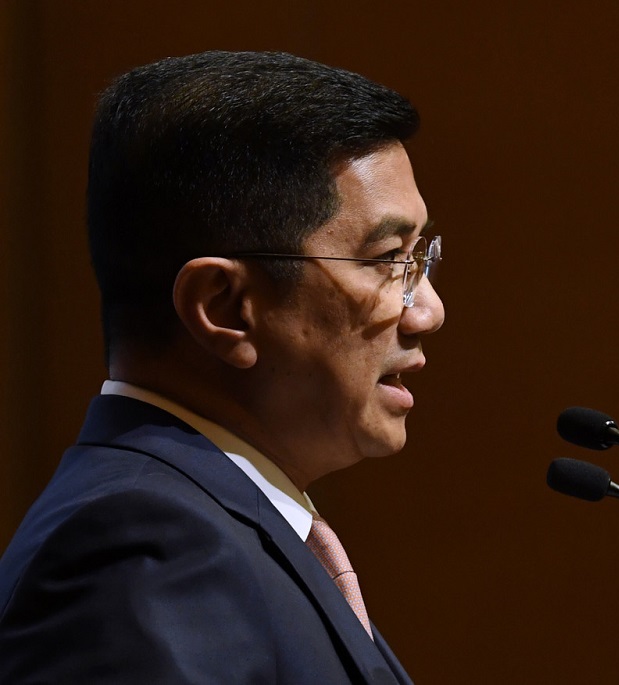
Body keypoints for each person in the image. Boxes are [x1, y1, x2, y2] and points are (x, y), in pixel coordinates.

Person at [0, 50, 444, 684]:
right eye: (387, 259)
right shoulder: (142, 551)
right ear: (224, 307)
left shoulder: (222, 524)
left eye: (421, 257)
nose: (427, 310)